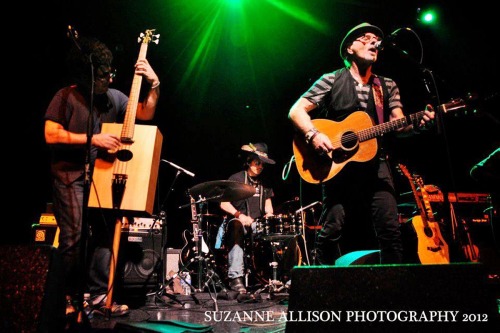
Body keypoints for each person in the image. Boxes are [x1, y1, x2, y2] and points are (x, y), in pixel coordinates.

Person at [288, 22, 435, 264]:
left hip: (377, 164)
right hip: (337, 165)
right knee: (331, 229)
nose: (373, 42)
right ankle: (323, 288)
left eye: (376, 39)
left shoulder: (387, 85)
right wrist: (314, 134)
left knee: (390, 230)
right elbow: (296, 111)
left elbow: (398, 126)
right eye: (365, 38)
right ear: (349, 48)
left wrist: (419, 125)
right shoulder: (331, 79)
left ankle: (393, 292)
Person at [44, 36, 160, 317]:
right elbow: (51, 134)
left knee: (106, 236)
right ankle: (66, 296)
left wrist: (154, 85)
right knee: (74, 237)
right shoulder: (66, 96)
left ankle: (97, 295)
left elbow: (144, 113)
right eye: (104, 74)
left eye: (111, 73)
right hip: (70, 176)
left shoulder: (114, 98)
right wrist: (93, 139)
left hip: (102, 178)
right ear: (89, 74)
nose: (109, 78)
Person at [218, 143, 275, 293]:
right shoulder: (236, 178)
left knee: (277, 231)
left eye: (263, 164)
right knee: (236, 225)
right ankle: (236, 278)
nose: (260, 166)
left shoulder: (266, 183)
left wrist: (270, 216)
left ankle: (278, 276)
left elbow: (269, 206)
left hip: (257, 224)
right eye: (257, 163)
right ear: (249, 161)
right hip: (239, 222)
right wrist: (240, 216)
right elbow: (224, 204)